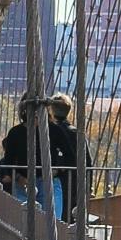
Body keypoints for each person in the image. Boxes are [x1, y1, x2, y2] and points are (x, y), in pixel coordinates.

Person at [46, 94, 86, 222]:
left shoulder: (50, 131)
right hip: (75, 183)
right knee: (70, 217)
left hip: (55, 181)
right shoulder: (76, 133)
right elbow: (87, 160)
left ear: (51, 110)